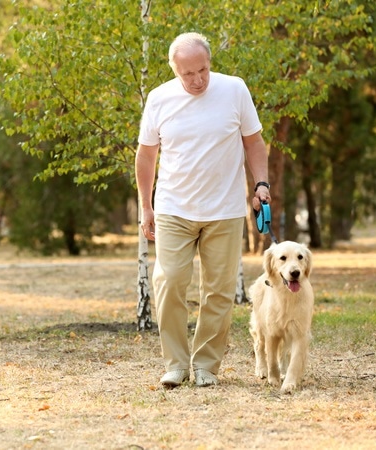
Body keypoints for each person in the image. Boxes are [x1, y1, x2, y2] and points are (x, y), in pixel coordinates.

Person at [135, 32, 271, 388]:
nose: (197, 80)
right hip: (173, 207)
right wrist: (145, 205)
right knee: (168, 281)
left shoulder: (234, 90)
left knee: (220, 290)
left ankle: (206, 366)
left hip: (224, 209)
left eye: (203, 70)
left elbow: (253, 142)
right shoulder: (159, 98)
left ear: (210, 63)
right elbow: (147, 154)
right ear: (174, 70)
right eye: (188, 74)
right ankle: (176, 365)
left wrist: (261, 184)